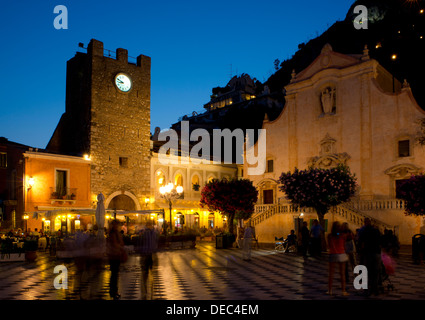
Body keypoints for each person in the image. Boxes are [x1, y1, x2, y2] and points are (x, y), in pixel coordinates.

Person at [357, 218, 383, 296]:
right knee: (375, 271)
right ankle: (374, 289)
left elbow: (360, 242)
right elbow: (380, 240)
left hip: (367, 253)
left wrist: (360, 251)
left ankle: (366, 289)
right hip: (376, 252)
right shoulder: (376, 230)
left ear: (365, 223)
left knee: (366, 272)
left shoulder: (363, 231)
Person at [327, 221, 349, 296]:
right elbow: (344, 243)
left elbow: (329, 245)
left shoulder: (329, 236)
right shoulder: (343, 235)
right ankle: (343, 291)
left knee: (331, 274)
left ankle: (330, 290)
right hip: (341, 254)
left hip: (333, 254)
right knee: (342, 274)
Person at [106, 220, 125, 300]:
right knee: (114, 275)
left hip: (114, 256)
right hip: (114, 256)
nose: (119, 226)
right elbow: (115, 244)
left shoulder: (114, 233)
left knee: (114, 274)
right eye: (117, 225)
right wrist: (120, 247)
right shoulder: (113, 234)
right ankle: (114, 292)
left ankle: (114, 291)